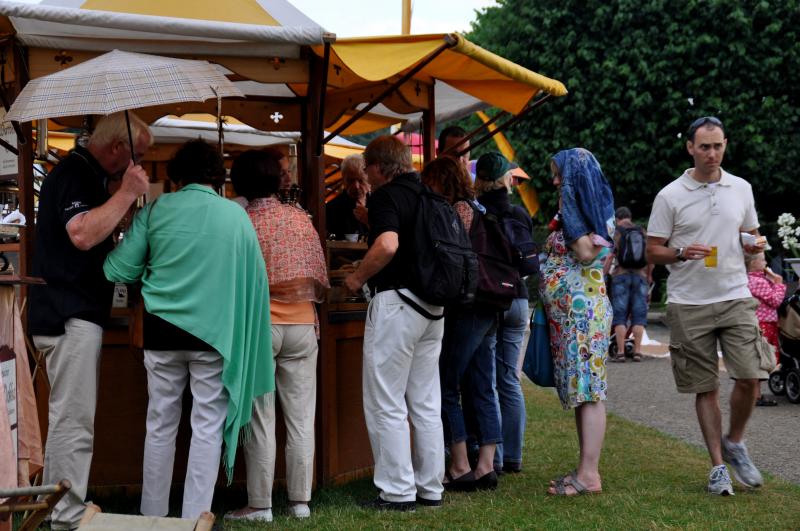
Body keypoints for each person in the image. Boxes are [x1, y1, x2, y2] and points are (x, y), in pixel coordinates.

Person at [104, 140, 274, 519]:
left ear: (177, 176)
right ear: (217, 175)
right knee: (207, 428)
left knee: (160, 424)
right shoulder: (235, 216)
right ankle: (196, 519)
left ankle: (152, 517)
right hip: (215, 336)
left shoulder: (156, 209)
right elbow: (254, 281)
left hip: (161, 332)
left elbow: (117, 269)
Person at [27, 112, 151, 530]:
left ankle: (55, 505)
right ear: (117, 147)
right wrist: (126, 193)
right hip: (69, 313)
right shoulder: (75, 173)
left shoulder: (84, 174)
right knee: (73, 419)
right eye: (137, 155)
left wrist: (118, 198)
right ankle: (64, 514)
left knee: (71, 416)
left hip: (70, 312)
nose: (138, 165)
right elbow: (81, 234)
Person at [646, 116, 767, 496]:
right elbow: (653, 250)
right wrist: (681, 252)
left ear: (725, 145)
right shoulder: (670, 195)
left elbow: (751, 234)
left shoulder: (741, 188)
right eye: (704, 147)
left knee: (751, 376)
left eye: (717, 146)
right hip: (689, 301)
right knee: (706, 386)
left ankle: (735, 442)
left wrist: (756, 250)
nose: (711, 154)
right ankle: (718, 467)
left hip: (735, 294)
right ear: (690, 148)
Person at [226, 149, 329, 522]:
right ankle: (300, 502)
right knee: (301, 418)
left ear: (240, 183)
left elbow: (230, 280)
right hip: (302, 325)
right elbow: (318, 275)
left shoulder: (240, 222)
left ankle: (260, 505)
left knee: (260, 418)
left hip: (260, 327)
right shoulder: (300, 218)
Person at [343, 136, 445, 511]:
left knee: (386, 401)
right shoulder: (430, 194)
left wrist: (356, 278)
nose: (367, 177)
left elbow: (388, 245)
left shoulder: (386, 195)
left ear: (378, 167)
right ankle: (430, 486)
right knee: (425, 402)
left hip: (397, 304)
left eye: (367, 169)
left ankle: (397, 491)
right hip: (433, 309)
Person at [541, 148, 614, 496]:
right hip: (573, 314)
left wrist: (568, 201)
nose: (555, 181)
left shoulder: (585, 211)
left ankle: (589, 475)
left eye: (560, 175)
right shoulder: (581, 211)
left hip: (583, 314)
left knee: (590, 391)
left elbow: (585, 253)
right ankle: (584, 469)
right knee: (582, 391)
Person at [473, 153, 531, 475]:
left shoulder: (476, 211)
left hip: (489, 299)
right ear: (506, 179)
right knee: (509, 380)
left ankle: (492, 457)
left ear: (480, 178)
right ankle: (514, 456)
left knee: (487, 381)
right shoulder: (519, 213)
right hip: (518, 299)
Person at [606, 206, 652, 362]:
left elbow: (610, 256)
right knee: (639, 315)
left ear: (617, 219)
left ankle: (620, 352)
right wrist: (649, 275)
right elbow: (650, 256)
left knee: (620, 315)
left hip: (621, 276)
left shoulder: (617, 233)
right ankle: (637, 352)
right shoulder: (642, 231)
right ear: (630, 217)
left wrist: (604, 274)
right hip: (640, 277)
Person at [746, 252, 785, 407]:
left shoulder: (751, 279)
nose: (766, 262)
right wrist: (779, 283)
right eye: (762, 260)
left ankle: (754, 395)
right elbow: (775, 301)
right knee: (763, 359)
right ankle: (755, 396)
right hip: (764, 324)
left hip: (757, 322)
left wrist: (771, 280)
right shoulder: (758, 282)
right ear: (752, 263)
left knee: (758, 358)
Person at [326, 154, 370, 239]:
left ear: (369, 178)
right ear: (343, 180)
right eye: (351, 180)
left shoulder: (380, 204)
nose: (356, 186)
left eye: (360, 180)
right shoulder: (332, 209)